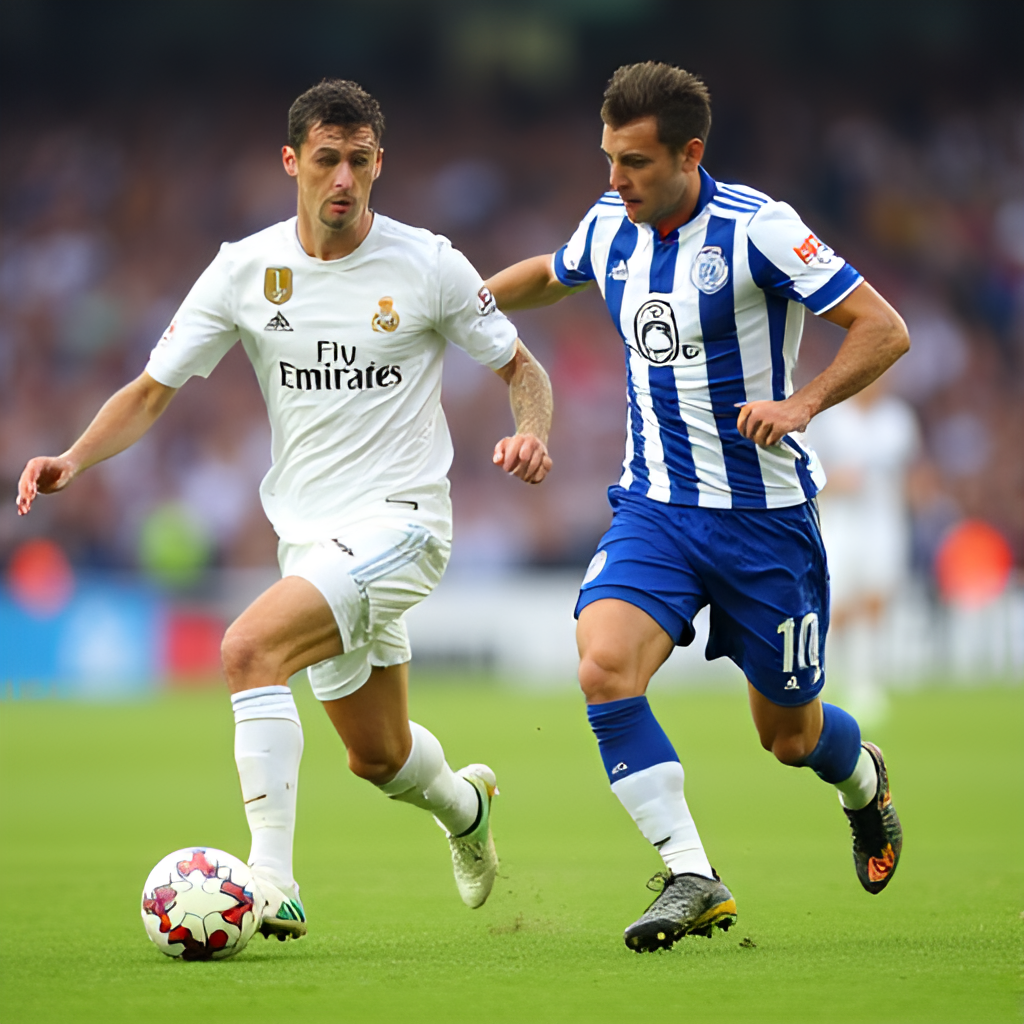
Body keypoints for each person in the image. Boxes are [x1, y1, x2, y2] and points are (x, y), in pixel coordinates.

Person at [16, 79, 553, 941]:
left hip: (404, 521)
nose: (342, 177)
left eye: (359, 160)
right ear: (292, 162)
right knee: (376, 757)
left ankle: (271, 882)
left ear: (381, 163)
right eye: (326, 159)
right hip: (308, 538)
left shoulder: (429, 264)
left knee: (247, 649)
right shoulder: (244, 269)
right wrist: (74, 456)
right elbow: (153, 391)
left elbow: (523, 369)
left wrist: (531, 434)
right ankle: (467, 809)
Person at [485, 62, 909, 952]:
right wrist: (461, 301)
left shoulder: (761, 230)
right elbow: (552, 275)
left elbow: (883, 327)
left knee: (788, 737)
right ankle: (691, 873)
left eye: (634, 162)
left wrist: (801, 406)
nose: (615, 180)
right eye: (608, 158)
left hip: (766, 524)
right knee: (602, 668)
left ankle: (862, 781)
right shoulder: (610, 225)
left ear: (690, 154)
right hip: (656, 511)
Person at [806, 376, 921, 725]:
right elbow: (810, 473)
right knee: (836, 605)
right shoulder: (832, 420)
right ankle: (827, 678)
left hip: (884, 523)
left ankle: (864, 683)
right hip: (841, 521)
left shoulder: (898, 420)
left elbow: (911, 474)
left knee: (875, 601)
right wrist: (836, 481)